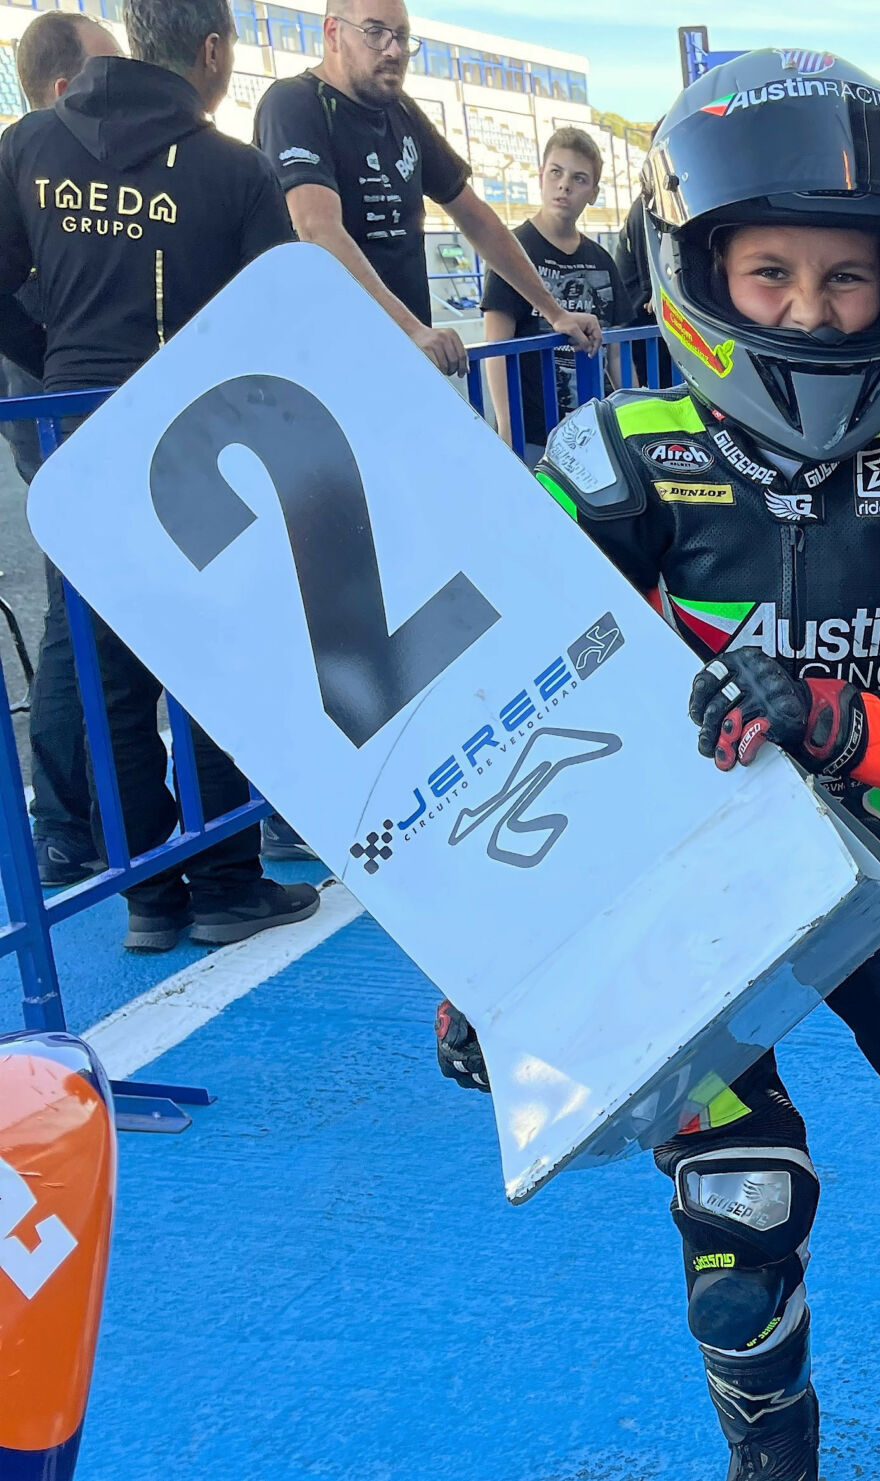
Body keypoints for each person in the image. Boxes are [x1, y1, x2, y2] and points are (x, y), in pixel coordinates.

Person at [451, 51, 880, 1481]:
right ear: (694, 270)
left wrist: (835, 721)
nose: (812, 309)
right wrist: (487, 961)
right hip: (658, 899)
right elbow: (492, 734)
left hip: (859, 871)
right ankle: (773, 1455)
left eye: (848, 278)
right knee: (747, 1195)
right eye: (771, 273)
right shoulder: (608, 460)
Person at [0, 0, 321, 951]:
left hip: (74, 432)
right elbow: (281, 318)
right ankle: (226, 877)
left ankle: (150, 891)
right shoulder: (234, 169)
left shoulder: (27, 148)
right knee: (221, 652)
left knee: (105, 666)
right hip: (195, 429)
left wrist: (61, 356)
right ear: (214, 52)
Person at [253, 0, 600, 379]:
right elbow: (317, 229)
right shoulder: (293, 103)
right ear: (333, 33)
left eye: (402, 37)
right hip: (326, 366)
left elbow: (476, 217)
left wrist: (554, 312)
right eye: (375, 33)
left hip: (401, 364)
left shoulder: (402, 113)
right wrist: (410, 330)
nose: (394, 50)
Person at [4, 9, 120, 888]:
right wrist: (55, 354)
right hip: (51, 406)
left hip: (60, 401)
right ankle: (63, 818)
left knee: (88, 603)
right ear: (64, 87)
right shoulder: (31, 158)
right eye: (113, 77)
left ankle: (83, 813)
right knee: (73, 601)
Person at [479, 127, 631, 463]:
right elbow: (496, 349)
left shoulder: (602, 260)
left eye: (579, 179)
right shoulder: (512, 252)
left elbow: (618, 352)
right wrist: (508, 425)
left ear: (593, 192)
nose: (564, 185)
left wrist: (632, 413)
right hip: (534, 433)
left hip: (594, 427)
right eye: (556, 173)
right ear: (541, 178)